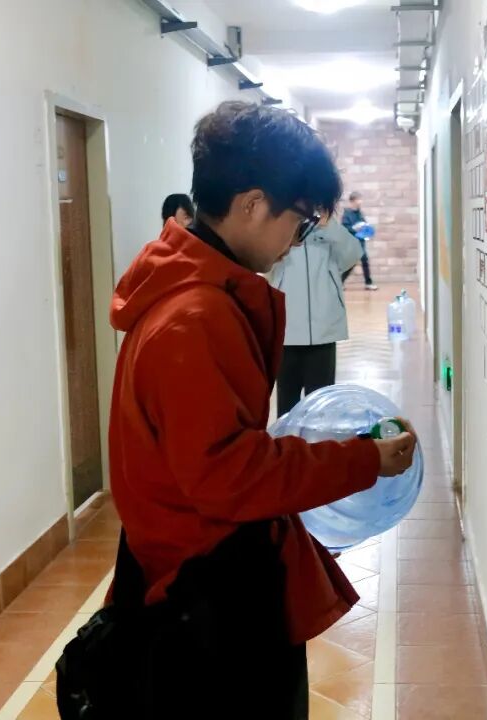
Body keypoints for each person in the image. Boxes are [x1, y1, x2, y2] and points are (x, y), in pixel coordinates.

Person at [105, 102, 417, 718]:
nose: (295, 242)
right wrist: (363, 462)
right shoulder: (195, 317)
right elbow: (230, 476)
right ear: (251, 204)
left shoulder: (193, 289)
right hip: (205, 592)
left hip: (192, 565)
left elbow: (217, 448)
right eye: (297, 222)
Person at [270, 210, 363, 417]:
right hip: (287, 329)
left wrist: (329, 225)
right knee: (287, 404)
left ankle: (319, 437)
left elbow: (353, 254)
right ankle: (287, 437)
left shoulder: (328, 226)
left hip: (323, 329)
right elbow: (265, 265)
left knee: (322, 405)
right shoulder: (279, 223)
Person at [341, 191, 378, 290]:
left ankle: (368, 283)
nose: (360, 201)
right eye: (358, 199)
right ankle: (340, 282)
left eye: (360, 199)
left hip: (360, 242)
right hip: (351, 242)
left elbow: (364, 225)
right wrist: (355, 228)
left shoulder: (360, 214)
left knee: (365, 260)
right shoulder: (347, 214)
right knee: (351, 263)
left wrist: (366, 229)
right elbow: (345, 228)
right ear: (352, 201)